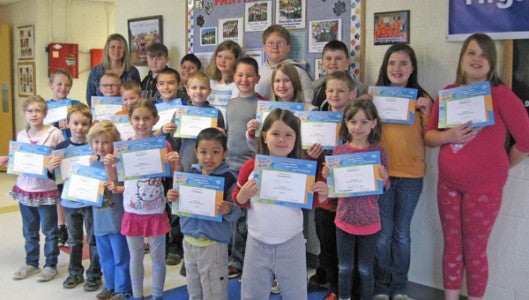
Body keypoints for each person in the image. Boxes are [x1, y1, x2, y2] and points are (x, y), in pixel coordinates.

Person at [424, 33, 529, 300]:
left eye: (483, 54)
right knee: (452, 245)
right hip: (448, 185)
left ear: (492, 62)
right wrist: (448, 136)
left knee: (475, 248)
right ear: (461, 60)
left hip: (484, 189)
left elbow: (526, 141)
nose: (477, 59)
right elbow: (429, 136)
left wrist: (501, 166)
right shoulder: (449, 93)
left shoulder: (501, 95)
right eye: (471, 53)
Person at [233, 108, 328, 300]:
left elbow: (313, 202)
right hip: (257, 243)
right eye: (275, 133)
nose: (282, 140)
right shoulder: (251, 167)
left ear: (296, 140)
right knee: (252, 295)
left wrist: (324, 193)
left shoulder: (302, 169)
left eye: (288, 135)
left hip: (290, 243)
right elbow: (237, 199)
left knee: (296, 294)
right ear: (265, 136)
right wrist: (242, 196)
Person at [373, 44, 433, 300]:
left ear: (412, 68)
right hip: (380, 175)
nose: (397, 69)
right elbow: (361, 131)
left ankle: (399, 288)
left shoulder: (423, 99)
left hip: (410, 177)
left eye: (403, 63)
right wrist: (364, 106)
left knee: (402, 235)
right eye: (392, 63)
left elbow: (431, 139)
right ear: (385, 68)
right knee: (382, 235)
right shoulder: (373, 99)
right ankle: (380, 287)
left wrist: (428, 113)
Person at [105, 99, 181, 300]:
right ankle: (137, 296)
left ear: (155, 119)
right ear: (130, 120)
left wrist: (176, 162)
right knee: (136, 257)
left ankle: (157, 295)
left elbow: (173, 175)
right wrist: (109, 164)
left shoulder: (162, 144)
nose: (141, 123)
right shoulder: (123, 147)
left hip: (156, 211)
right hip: (132, 211)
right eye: (136, 118)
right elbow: (113, 179)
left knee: (158, 258)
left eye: (146, 118)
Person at [322, 99, 390, 300]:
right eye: (353, 121)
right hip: (344, 220)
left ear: (373, 124)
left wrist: (385, 179)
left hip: (370, 221)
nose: (358, 127)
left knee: (365, 270)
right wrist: (328, 175)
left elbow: (384, 188)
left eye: (364, 122)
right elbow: (335, 189)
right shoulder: (339, 152)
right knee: (344, 268)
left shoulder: (378, 153)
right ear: (346, 123)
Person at [306, 70, 363, 300]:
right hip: (324, 196)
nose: (335, 94)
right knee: (327, 242)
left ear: (352, 93)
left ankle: (350, 289)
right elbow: (309, 158)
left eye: (341, 90)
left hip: (350, 194)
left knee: (349, 246)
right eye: (331, 90)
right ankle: (335, 289)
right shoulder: (317, 119)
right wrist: (312, 155)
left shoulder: (357, 121)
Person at [167, 127, 241, 300]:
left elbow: (237, 213)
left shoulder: (230, 178)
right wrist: (171, 198)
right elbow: (179, 209)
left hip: (213, 244)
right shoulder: (189, 175)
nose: (209, 157)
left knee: (214, 289)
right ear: (196, 153)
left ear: (225, 153)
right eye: (203, 152)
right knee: (194, 286)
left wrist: (228, 209)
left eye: (215, 152)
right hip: (189, 241)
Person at [1, 96, 64, 282]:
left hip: (46, 189)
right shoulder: (21, 135)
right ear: (25, 114)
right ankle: (31, 263)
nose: (34, 114)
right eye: (30, 111)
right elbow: (20, 162)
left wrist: (56, 162)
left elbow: (62, 162)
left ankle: (51, 265)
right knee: (29, 230)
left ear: (45, 113)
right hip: (25, 189)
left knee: (50, 230)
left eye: (38, 110)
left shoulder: (54, 134)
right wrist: (7, 161)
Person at [47, 104, 103, 292]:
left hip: (90, 200)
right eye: (75, 123)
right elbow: (54, 178)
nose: (79, 127)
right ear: (67, 124)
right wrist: (51, 168)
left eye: (84, 124)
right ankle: (75, 272)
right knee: (74, 239)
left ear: (90, 124)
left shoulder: (95, 146)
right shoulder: (61, 148)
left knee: (93, 238)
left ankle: (95, 273)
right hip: (70, 201)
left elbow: (103, 173)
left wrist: (99, 163)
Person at [225, 56, 266, 279]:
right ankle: (231, 255)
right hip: (229, 166)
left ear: (257, 78)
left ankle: (239, 260)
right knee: (231, 214)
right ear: (234, 77)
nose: (244, 79)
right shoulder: (231, 103)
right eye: (240, 75)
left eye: (249, 75)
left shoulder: (264, 104)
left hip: (249, 169)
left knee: (244, 219)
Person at [87, 121, 132, 300]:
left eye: (105, 142)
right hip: (99, 220)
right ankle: (109, 285)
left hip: (117, 218)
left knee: (121, 256)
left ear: (114, 143)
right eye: (96, 142)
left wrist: (109, 164)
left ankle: (123, 289)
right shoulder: (91, 165)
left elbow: (116, 180)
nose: (100, 146)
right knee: (105, 256)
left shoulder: (119, 164)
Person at [47, 69, 81, 247]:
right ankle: (62, 226)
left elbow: (85, 121)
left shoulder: (75, 104)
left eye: (67, 84)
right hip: (56, 152)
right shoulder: (45, 106)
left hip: (74, 152)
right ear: (51, 85)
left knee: (73, 187)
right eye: (59, 84)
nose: (63, 87)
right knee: (59, 189)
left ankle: (76, 225)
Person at [177, 71, 225, 172]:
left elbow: (222, 142)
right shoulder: (181, 113)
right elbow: (175, 141)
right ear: (187, 90)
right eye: (194, 88)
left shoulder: (216, 113)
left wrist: (222, 134)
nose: (198, 91)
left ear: (209, 91)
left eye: (203, 88)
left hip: (210, 163)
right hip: (186, 162)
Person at [255, 24, 313, 102]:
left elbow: (308, 100)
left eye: (280, 43)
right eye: (270, 43)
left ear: (288, 48)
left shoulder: (299, 72)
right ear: (264, 47)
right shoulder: (257, 73)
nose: (275, 47)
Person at [86, 33, 140, 107]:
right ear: (107, 50)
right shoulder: (95, 72)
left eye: (120, 47)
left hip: (127, 115)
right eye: (113, 47)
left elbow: (138, 96)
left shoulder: (132, 71)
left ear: (125, 51)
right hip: (101, 116)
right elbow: (90, 98)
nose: (116, 50)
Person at [312, 40, 367, 110]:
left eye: (338, 59)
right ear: (322, 62)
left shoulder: (361, 89)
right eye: (328, 58)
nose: (333, 62)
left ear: (347, 61)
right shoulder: (314, 88)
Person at [206, 40, 242, 119]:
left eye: (228, 58)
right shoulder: (209, 81)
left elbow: (233, 113)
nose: (222, 61)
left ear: (236, 61)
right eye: (219, 56)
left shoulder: (236, 84)